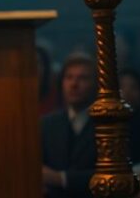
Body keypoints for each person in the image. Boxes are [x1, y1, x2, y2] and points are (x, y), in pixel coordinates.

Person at [41, 54, 97, 197]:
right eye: (69, 77)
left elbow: (110, 174)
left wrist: (61, 178)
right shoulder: (47, 123)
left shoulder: (108, 124)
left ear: (96, 84)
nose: (74, 84)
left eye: (82, 78)